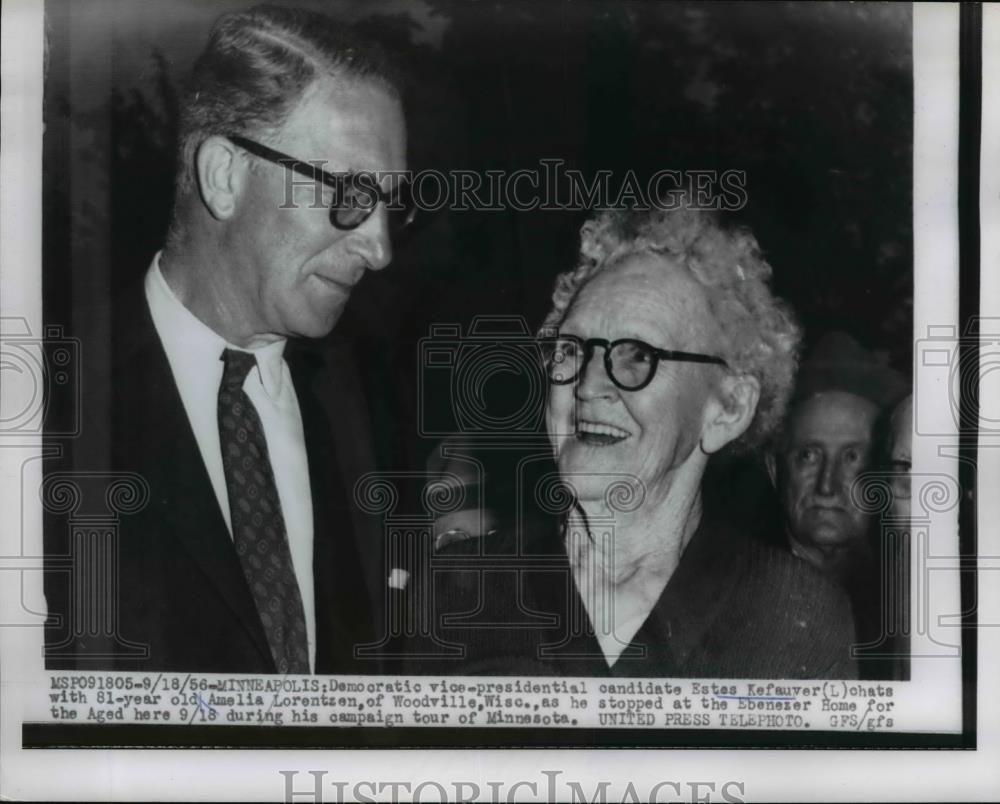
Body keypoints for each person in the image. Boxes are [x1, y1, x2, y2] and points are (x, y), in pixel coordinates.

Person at [43, 5, 409, 674]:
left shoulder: (373, 404)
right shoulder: (45, 407)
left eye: (392, 202)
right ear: (224, 176)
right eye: (352, 195)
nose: (380, 247)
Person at [413, 204, 857, 678]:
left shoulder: (793, 616)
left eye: (637, 356)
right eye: (571, 349)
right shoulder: (456, 592)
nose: (586, 385)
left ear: (727, 408)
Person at [765, 334, 909, 678]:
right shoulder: (731, 592)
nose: (827, 485)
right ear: (774, 470)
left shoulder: (907, 597)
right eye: (809, 455)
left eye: (852, 458)